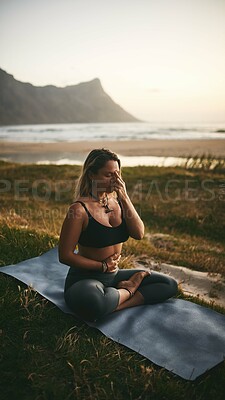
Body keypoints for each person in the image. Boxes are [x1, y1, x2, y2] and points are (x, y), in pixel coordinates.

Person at [59, 148, 178, 322]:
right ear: (92, 175)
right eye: (108, 175)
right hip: (85, 279)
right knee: (93, 302)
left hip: (114, 276)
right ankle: (128, 291)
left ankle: (117, 301)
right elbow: (65, 256)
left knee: (168, 284)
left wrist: (125, 197)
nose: (115, 180)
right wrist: (102, 267)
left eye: (117, 174)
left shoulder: (118, 203)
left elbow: (139, 233)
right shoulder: (78, 210)